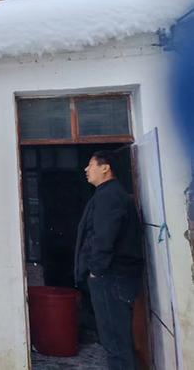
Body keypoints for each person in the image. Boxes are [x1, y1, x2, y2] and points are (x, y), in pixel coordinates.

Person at [74, 150, 143, 370]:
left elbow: (104, 238)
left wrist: (96, 270)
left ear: (106, 168)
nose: (86, 169)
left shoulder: (109, 196)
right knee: (116, 341)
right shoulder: (108, 194)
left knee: (115, 344)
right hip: (114, 278)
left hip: (111, 278)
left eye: (90, 165)